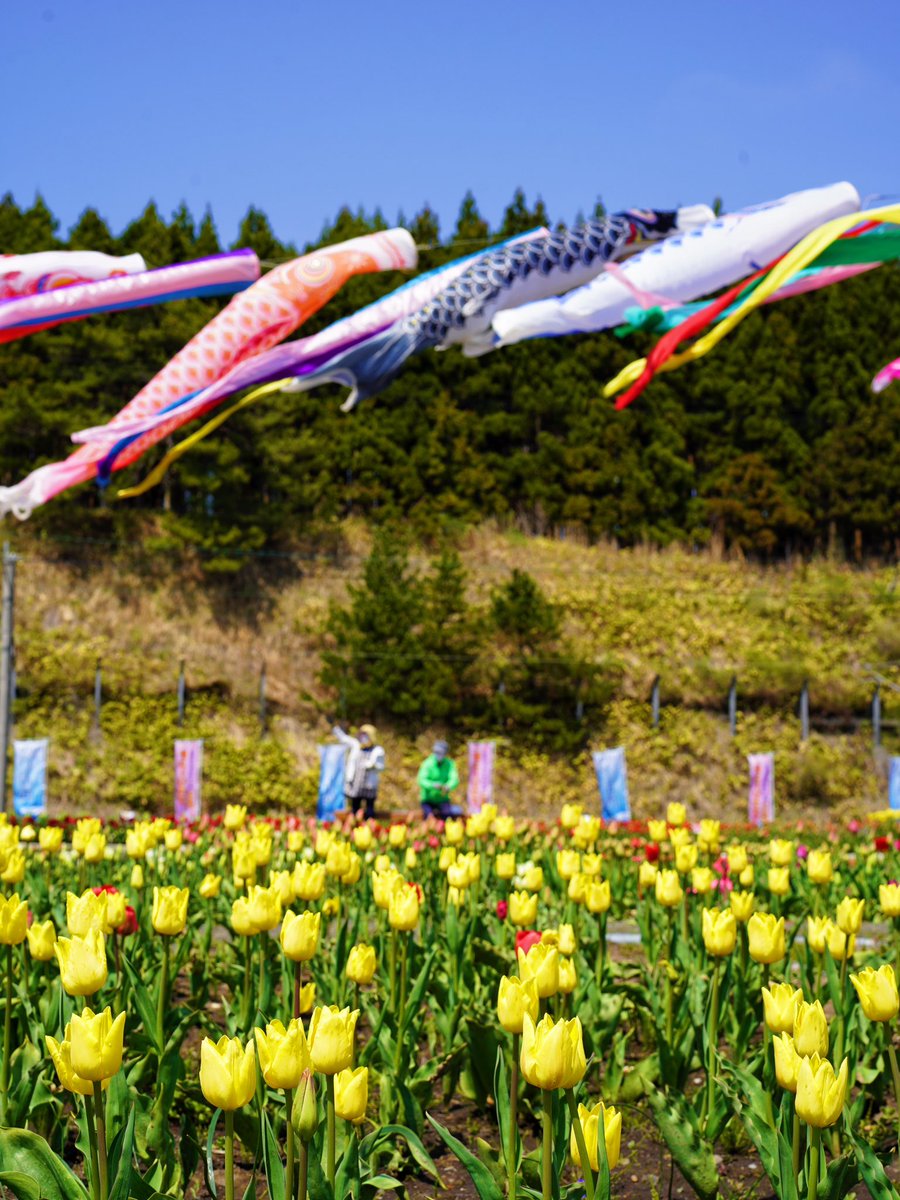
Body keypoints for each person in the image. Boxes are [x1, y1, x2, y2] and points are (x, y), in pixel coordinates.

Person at [332, 723, 385, 819]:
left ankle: (368, 824)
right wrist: (336, 728)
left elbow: (381, 766)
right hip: (356, 783)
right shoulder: (356, 746)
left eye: (366, 735)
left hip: (369, 785)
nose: (363, 738)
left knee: (369, 809)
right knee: (355, 808)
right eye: (362, 735)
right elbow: (344, 739)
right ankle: (355, 825)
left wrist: (371, 765)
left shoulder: (377, 750)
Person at [417, 740, 462, 819]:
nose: (437, 754)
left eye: (440, 752)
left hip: (443, 799)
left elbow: (454, 779)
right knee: (429, 817)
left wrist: (448, 786)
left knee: (448, 816)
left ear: (445, 753)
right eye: (436, 752)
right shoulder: (427, 763)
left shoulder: (450, 764)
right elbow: (421, 780)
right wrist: (432, 785)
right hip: (428, 800)